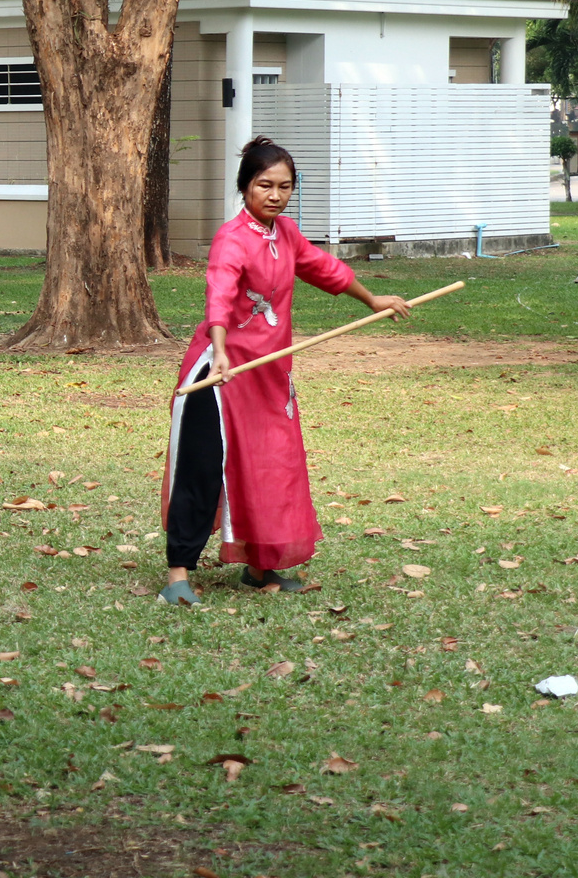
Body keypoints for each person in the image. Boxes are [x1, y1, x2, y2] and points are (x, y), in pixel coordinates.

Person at [157, 137, 410, 607]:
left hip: (268, 375)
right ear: (245, 187)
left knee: (271, 466)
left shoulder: (287, 234)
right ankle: (177, 576)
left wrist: (372, 299)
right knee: (203, 468)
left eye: (284, 186)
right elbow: (219, 295)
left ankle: (258, 567)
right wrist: (221, 350)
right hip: (221, 376)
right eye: (264, 185)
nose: (274, 195)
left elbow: (324, 268)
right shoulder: (231, 238)